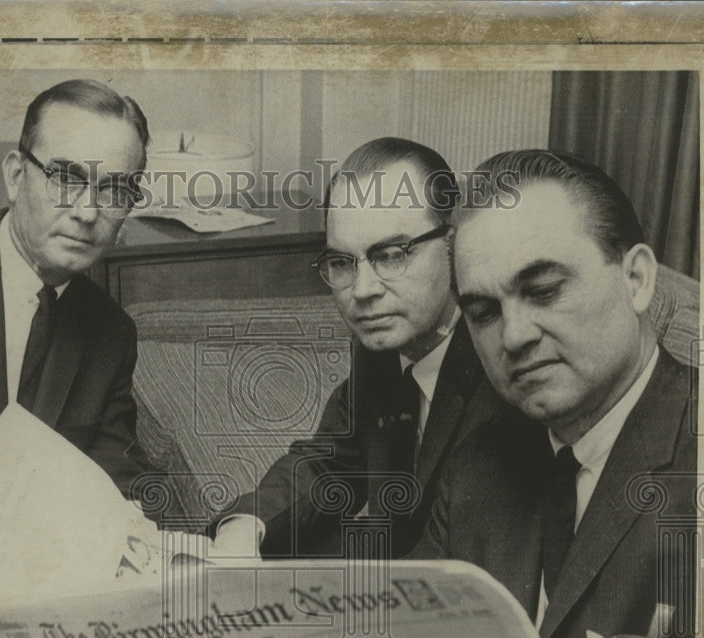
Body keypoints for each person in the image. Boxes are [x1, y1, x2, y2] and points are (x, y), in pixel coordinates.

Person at [411, 149, 696, 638]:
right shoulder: (476, 471)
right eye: (484, 312)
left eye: (543, 290)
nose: (513, 337)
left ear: (637, 279)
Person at [0, 80, 151, 635]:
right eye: (67, 178)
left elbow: (115, 485)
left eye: (114, 189)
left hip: (32, 626)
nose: (88, 211)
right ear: (16, 176)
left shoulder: (110, 333)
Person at [214, 138, 503, 558]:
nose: (362, 291)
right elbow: (329, 464)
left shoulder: (501, 363)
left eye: (391, 255)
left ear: (454, 245)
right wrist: (245, 526)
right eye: (342, 263)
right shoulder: (381, 345)